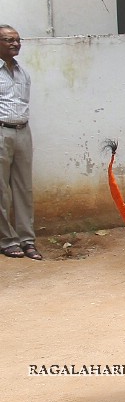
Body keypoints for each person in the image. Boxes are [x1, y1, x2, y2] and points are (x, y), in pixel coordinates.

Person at [0, 25, 38, 260]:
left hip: (23, 131)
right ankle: (7, 240)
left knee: (24, 188)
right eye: (8, 40)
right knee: (1, 190)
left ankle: (27, 239)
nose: (15, 43)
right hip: (1, 131)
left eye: (18, 40)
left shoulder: (23, 73)